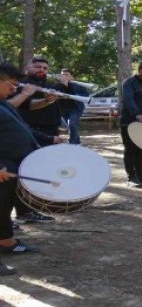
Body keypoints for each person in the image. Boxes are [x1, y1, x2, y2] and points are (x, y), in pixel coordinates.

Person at [0, 63, 65, 272]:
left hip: (13, 164)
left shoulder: (3, 104)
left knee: (4, 207)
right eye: (11, 84)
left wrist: (49, 140)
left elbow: (22, 129)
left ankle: (7, 243)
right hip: (3, 166)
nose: (14, 89)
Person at [6, 57, 60, 224]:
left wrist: (47, 100)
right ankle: (12, 218)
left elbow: (28, 105)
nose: (42, 69)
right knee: (21, 175)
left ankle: (26, 211)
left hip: (39, 132)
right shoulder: (19, 84)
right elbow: (9, 106)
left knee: (31, 173)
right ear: (27, 67)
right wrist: (24, 92)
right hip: (23, 132)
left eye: (45, 67)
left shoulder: (43, 84)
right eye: (37, 66)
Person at [57, 69, 89, 145]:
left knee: (72, 123)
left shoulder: (79, 85)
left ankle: (71, 143)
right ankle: (77, 142)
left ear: (72, 77)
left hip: (76, 108)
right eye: (62, 75)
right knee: (69, 126)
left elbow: (86, 96)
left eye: (66, 75)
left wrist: (73, 96)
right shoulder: (58, 85)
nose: (64, 76)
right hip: (62, 109)